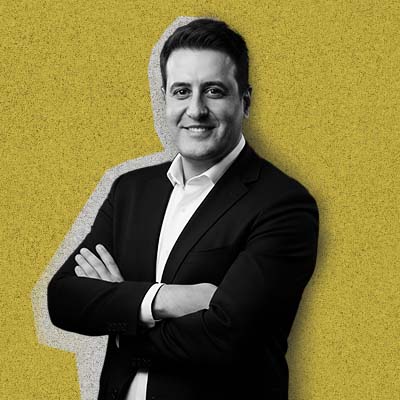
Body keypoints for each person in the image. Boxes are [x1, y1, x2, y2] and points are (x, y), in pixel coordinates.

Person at [48, 18, 319, 400]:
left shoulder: (283, 204)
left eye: (213, 91)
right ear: (165, 99)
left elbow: (227, 339)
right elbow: (63, 299)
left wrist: (121, 312)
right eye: (181, 91)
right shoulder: (130, 190)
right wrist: (164, 300)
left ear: (245, 101)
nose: (196, 109)